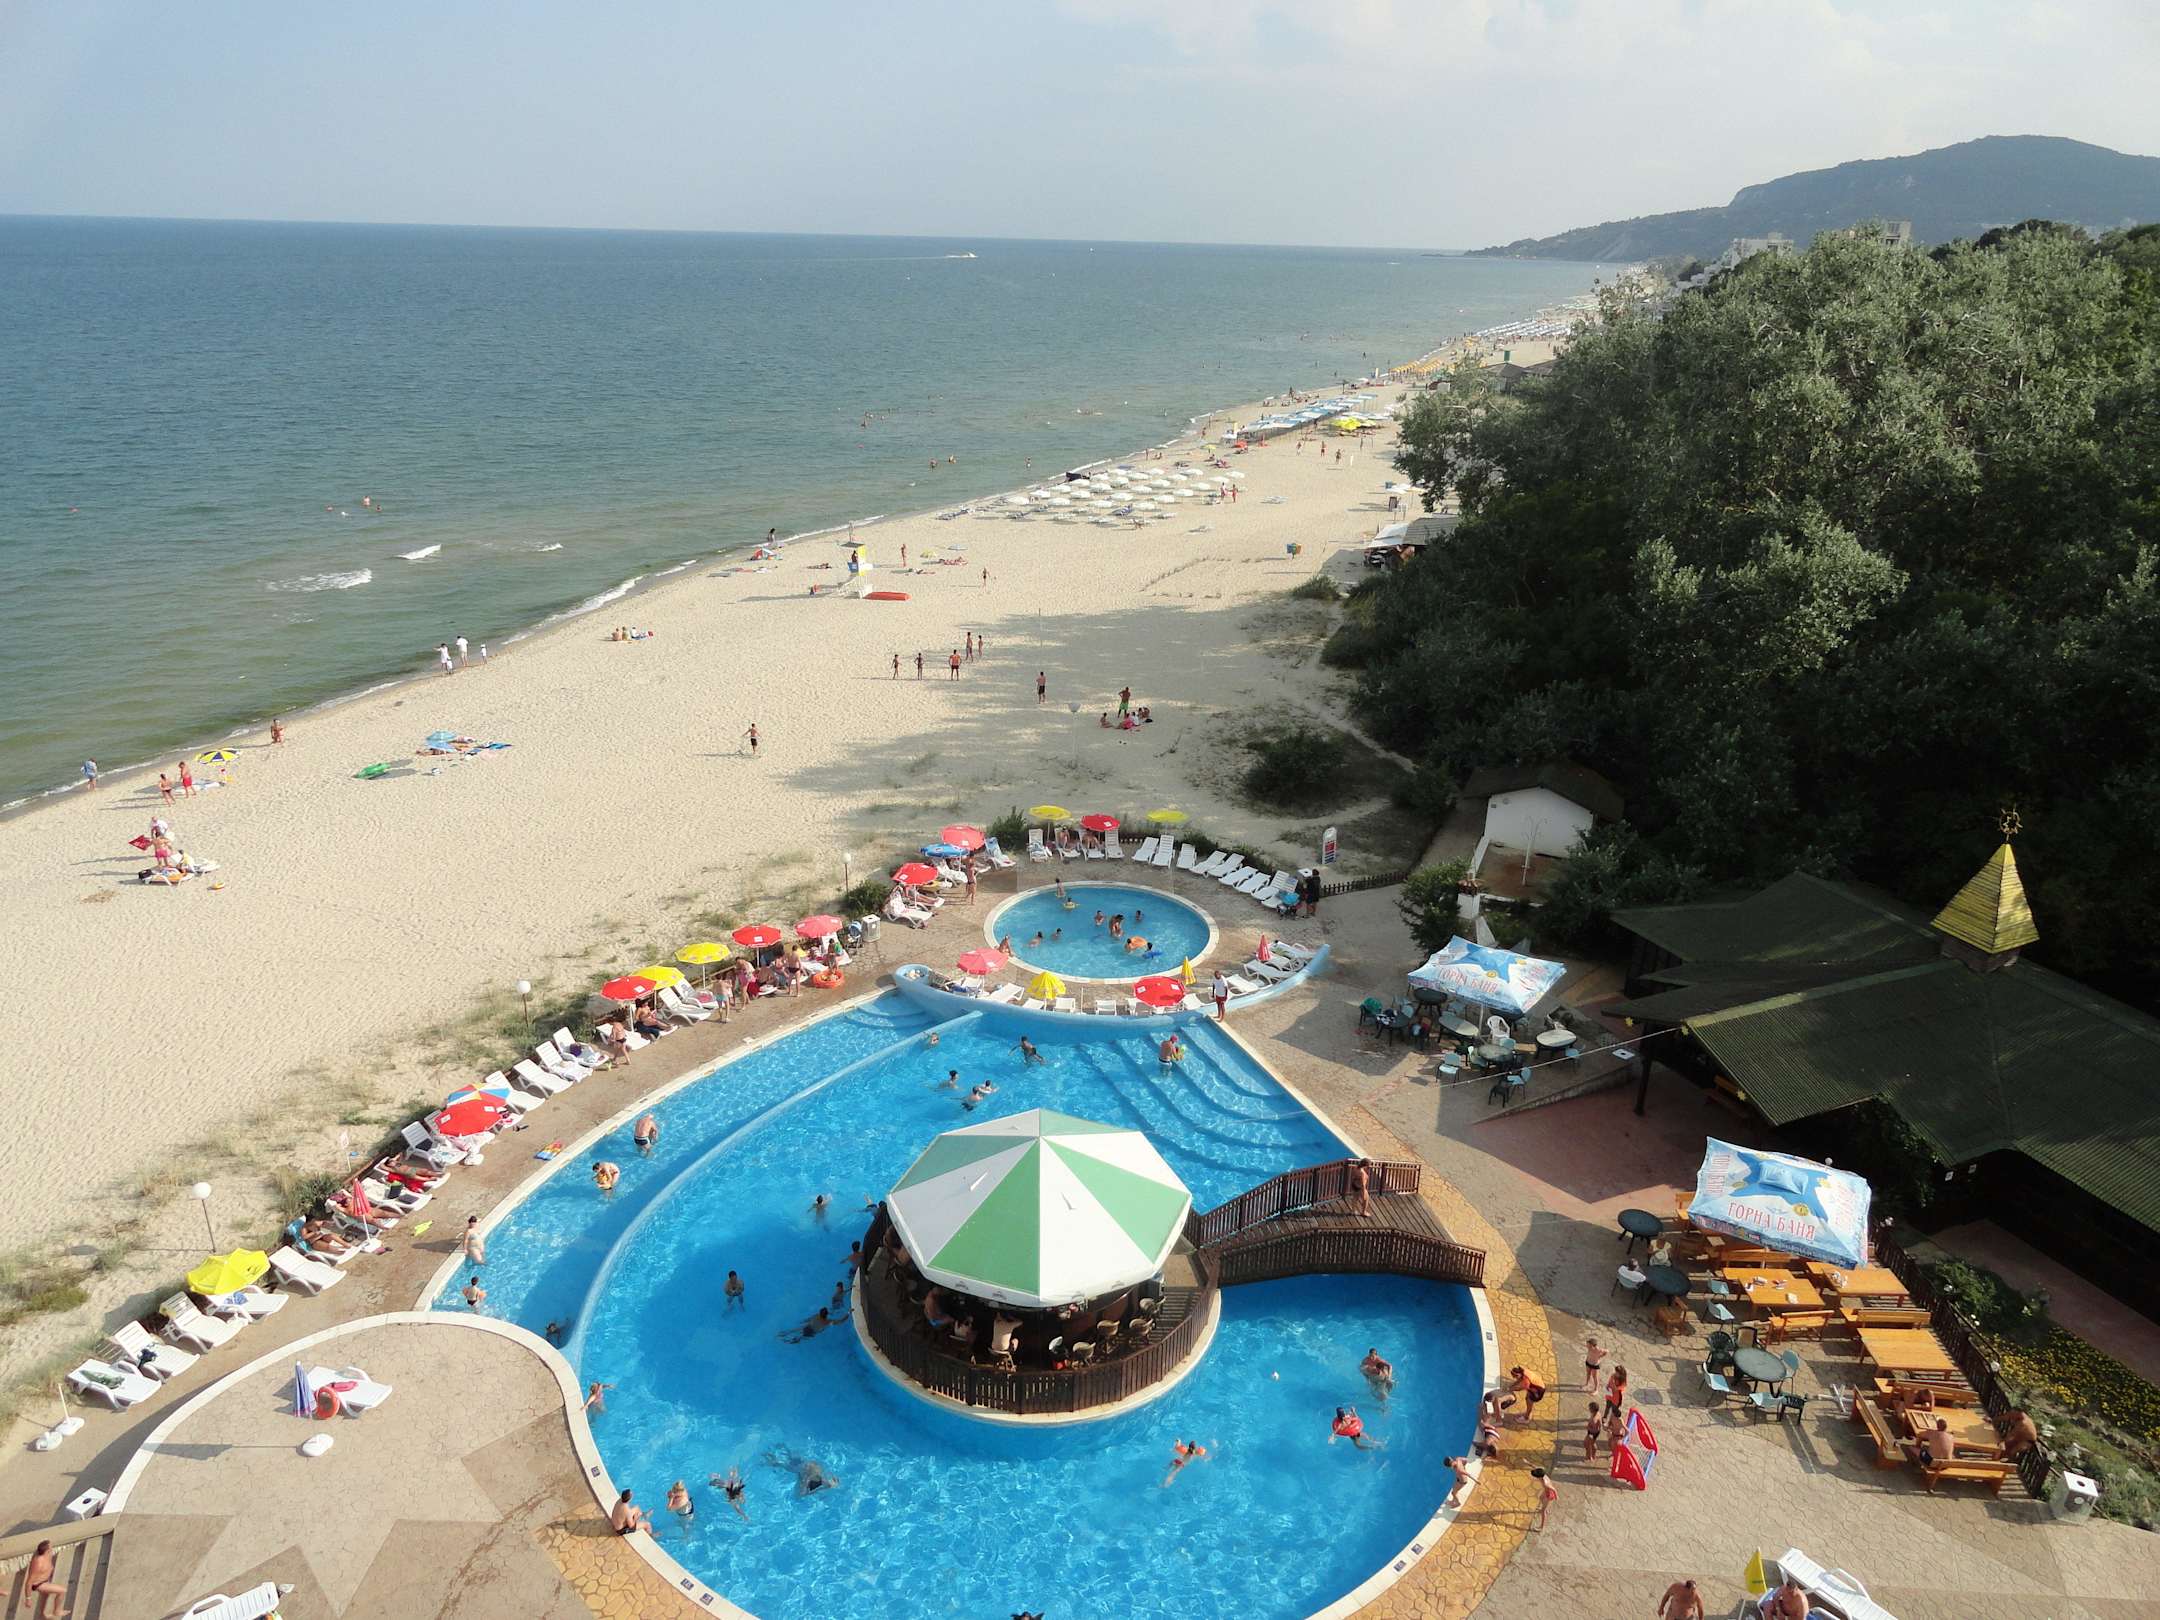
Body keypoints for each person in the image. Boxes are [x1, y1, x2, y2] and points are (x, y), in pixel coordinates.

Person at [23, 1540, 67, 1620]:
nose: (52, 1548)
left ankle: (42, 1615)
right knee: (62, 1591)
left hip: (46, 1579)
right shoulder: (38, 1563)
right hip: (39, 1584)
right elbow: (29, 1582)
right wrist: (28, 1598)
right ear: (47, 1551)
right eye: (50, 1547)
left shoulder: (47, 1554)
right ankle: (57, 1611)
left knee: (45, 1597)